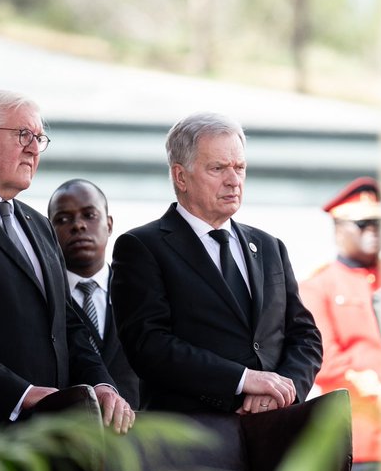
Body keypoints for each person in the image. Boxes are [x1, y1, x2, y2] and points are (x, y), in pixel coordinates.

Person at [109, 112, 322, 415]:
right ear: (181, 176)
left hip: (276, 429)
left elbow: (305, 335)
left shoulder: (269, 246)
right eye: (218, 168)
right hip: (195, 438)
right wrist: (243, 380)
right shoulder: (143, 247)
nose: (233, 180)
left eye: (240, 167)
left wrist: (281, 389)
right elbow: (149, 346)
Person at [0, 91, 134, 433]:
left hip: (52, 434)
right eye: (23, 135)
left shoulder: (37, 224)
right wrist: (21, 394)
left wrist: (102, 384)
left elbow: (67, 324)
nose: (34, 149)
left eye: (39, 138)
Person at [300, 177, 381, 471]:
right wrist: (368, 380)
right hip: (357, 432)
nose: (373, 232)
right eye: (362, 224)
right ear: (339, 228)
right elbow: (322, 358)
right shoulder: (319, 286)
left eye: (377, 223)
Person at [48, 178, 140, 409]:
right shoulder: (44, 302)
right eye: (63, 219)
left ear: (109, 224)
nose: (77, 226)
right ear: (49, 232)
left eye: (89, 215)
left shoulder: (142, 291)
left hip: (144, 431)